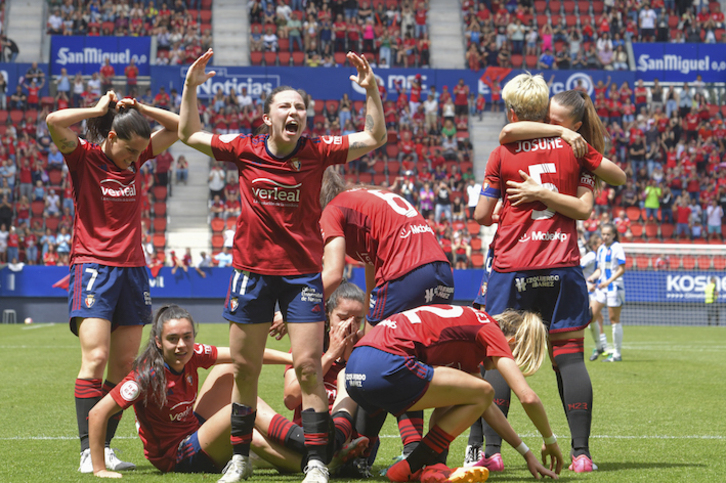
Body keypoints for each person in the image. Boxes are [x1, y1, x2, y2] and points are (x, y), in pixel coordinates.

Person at [178, 48, 385, 483]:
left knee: (309, 368)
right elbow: (189, 133)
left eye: (300, 107)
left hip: (301, 278)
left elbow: (373, 137)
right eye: (285, 106)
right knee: (246, 368)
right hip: (251, 274)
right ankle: (238, 458)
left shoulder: (317, 151)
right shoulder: (244, 149)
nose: (294, 112)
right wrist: (191, 87)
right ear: (268, 118)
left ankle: (314, 463)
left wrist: (371, 92)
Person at [472, 75, 626, 474]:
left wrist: (519, 203)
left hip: (512, 265)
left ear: (512, 109)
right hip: (562, 264)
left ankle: (492, 451)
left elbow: (481, 216)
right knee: (570, 357)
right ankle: (581, 455)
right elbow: (615, 179)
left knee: (498, 357)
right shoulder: (574, 148)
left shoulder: (503, 150)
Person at [46, 90, 180, 473]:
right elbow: (54, 121)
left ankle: (104, 450)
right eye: (129, 153)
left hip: (134, 269)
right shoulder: (84, 158)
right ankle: (89, 453)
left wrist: (140, 109)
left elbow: (180, 127)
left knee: (123, 366)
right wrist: (99, 109)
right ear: (110, 138)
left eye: (140, 154)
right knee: (97, 358)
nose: (135, 160)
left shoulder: (135, 158)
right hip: (93, 267)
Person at [319, 169, 454, 471]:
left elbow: (334, 274)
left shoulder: (332, 209)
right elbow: (373, 271)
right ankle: (420, 454)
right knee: (409, 360)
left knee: (374, 366)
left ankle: (361, 452)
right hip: (441, 271)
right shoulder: (365, 199)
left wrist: (289, 307)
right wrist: (370, 327)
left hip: (406, 273)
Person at [345, 305, 563, 483]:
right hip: (386, 365)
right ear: (511, 343)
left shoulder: (469, 329)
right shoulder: (490, 330)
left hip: (355, 368)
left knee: (470, 392)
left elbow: (486, 406)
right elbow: (527, 396)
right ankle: (409, 468)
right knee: (485, 390)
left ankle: (433, 466)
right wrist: (549, 440)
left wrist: (527, 454)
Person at [87, 305, 292, 478]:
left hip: (194, 431)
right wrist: (99, 469)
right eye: (173, 339)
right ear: (159, 341)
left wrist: (292, 359)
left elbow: (241, 354)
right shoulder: (144, 377)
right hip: (176, 456)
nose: (181, 345)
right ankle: (310, 451)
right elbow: (97, 413)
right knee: (240, 417)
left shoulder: (193, 353)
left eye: (187, 337)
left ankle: (310, 452)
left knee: (228, 368)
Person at [587, 223, 626, 362]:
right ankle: (600, 347)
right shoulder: (601, 249)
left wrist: (608, 282)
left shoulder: (617, 248)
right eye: (603, 234)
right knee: (590, 315)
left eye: (608, 234)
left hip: (614, 287)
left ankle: (617, 354)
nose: (605, 236)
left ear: (614, 235)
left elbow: (622, 269)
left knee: (613, 319)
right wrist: (592, 277)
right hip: (601, 288)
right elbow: (600, 269)